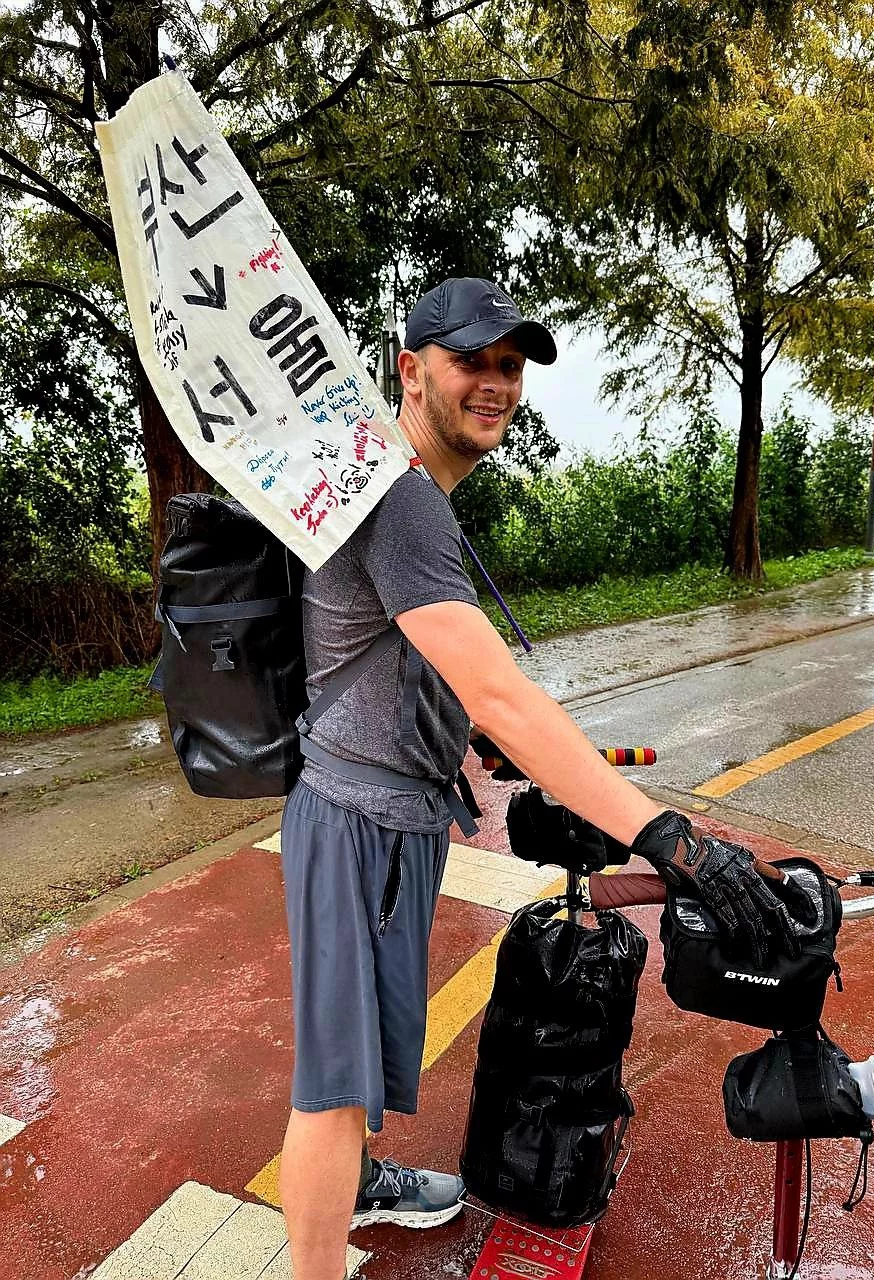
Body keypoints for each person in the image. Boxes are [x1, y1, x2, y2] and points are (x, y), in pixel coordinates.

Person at [278, 277, 809, 1280]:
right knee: (332, 1085)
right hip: (355, 823)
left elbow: (402, 664)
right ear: (410, 369)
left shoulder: (402, 487)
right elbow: (502, 696)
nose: (496, 383)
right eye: (472, 360)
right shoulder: (403, 503)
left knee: (345, 1068)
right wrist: (669, 837)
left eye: (510, 365)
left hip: (378, 810)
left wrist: (463, 741)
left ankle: (357, 1175)